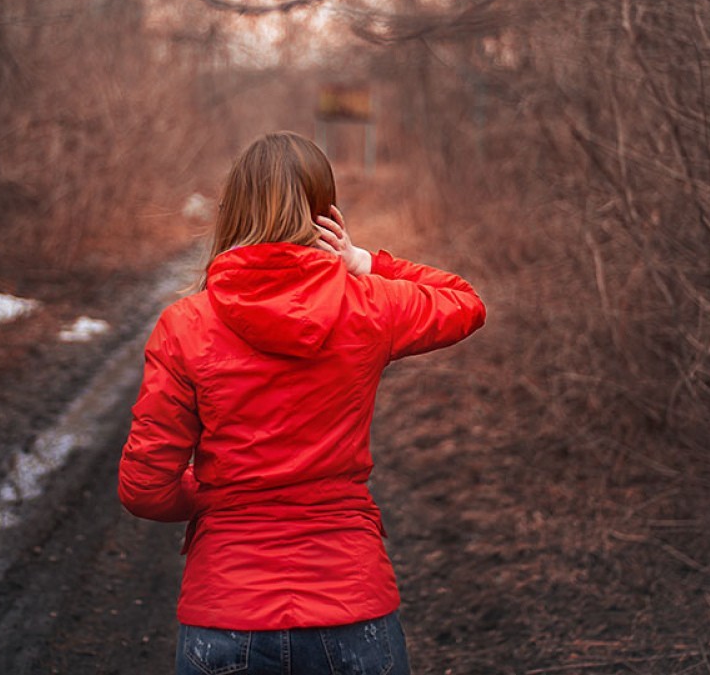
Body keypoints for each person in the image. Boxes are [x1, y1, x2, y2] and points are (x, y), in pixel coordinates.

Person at [118, 131, 486, 675]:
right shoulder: (371, 306)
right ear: (324, 214)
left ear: (234, 212)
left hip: (227, 609)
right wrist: (365, 262)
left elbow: (145, 489)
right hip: (351, 604)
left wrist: (216, 495)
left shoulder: (186, 326)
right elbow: (466, 303)